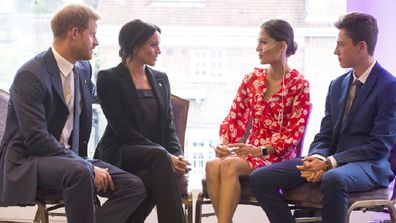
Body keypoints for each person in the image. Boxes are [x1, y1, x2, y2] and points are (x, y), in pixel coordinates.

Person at [0, 4, 146, 223]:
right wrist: (86, 166)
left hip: (71, 159)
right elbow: (36, 139)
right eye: (93, 34)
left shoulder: (83, 69)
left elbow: (101, 97)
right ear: (75, 33)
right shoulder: (30, 76)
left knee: (134, 187)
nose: (96, 42)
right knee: (79, 172)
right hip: (30, 160)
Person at [250, 12, 396, 223]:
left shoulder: (389, 87)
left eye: (341, 45)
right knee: (261, 178)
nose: (335, 51)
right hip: (331, 161)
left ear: (362, 47)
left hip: (370, 165)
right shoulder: (337, 85)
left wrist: (329, 163)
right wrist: (317, 157)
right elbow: (324, 134)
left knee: (333, 178)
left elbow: (378, 147)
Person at [205, 19, 310, 223]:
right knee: (212, 164)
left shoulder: (299, 84)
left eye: (263, 42)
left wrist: (259, 150)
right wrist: (224, 145)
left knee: (229, 167)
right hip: (250, 153)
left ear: (281, 46)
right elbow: (234, 117)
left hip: (278, 157)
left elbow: (293, 136)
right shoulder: (251, 79)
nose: (257, 48)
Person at [93, 19, 189, 223]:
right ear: (135, 46)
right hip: (121, 150)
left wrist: (177, 155)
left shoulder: (161, 78)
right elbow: (122, 130)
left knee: (149, 179)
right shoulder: (108, 78)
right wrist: (164, 155)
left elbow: (168, 127)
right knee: (159, 159)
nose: (159, 51)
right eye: (153, 45)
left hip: (154, 157)